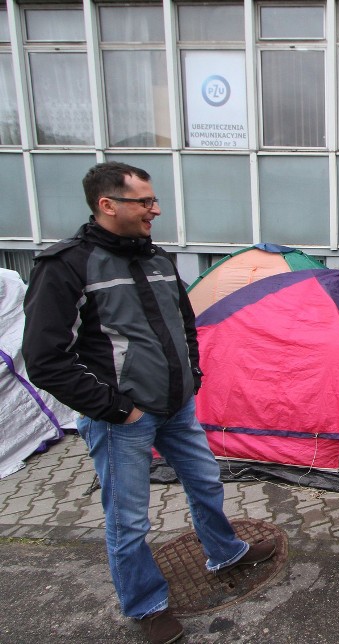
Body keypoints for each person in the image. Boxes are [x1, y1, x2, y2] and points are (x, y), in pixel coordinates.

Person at [22, 162, 275, 644]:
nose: (155, 209)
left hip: (177, 407)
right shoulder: (66, 266)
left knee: (205, 481)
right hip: (121, 419)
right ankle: (145, 604)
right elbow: (45, 360)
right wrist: (118, 409)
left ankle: (225, 551)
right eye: (145, 202)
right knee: (129, 518)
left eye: (153, 201)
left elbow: (184, 323)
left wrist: (193, 374)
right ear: (107, 204)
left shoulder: (157, 258)